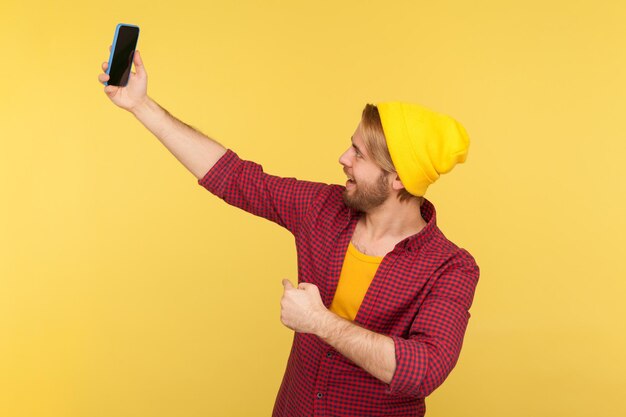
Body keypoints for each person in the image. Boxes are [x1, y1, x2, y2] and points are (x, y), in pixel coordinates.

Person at [98, 49, 480, 417]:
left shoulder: (450, 267)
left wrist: (319, 322)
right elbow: (236, 178)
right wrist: (140, 105)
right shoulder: (323, 208)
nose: (343, 159)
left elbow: (424, 370)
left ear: (398, 179)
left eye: (359, 154)